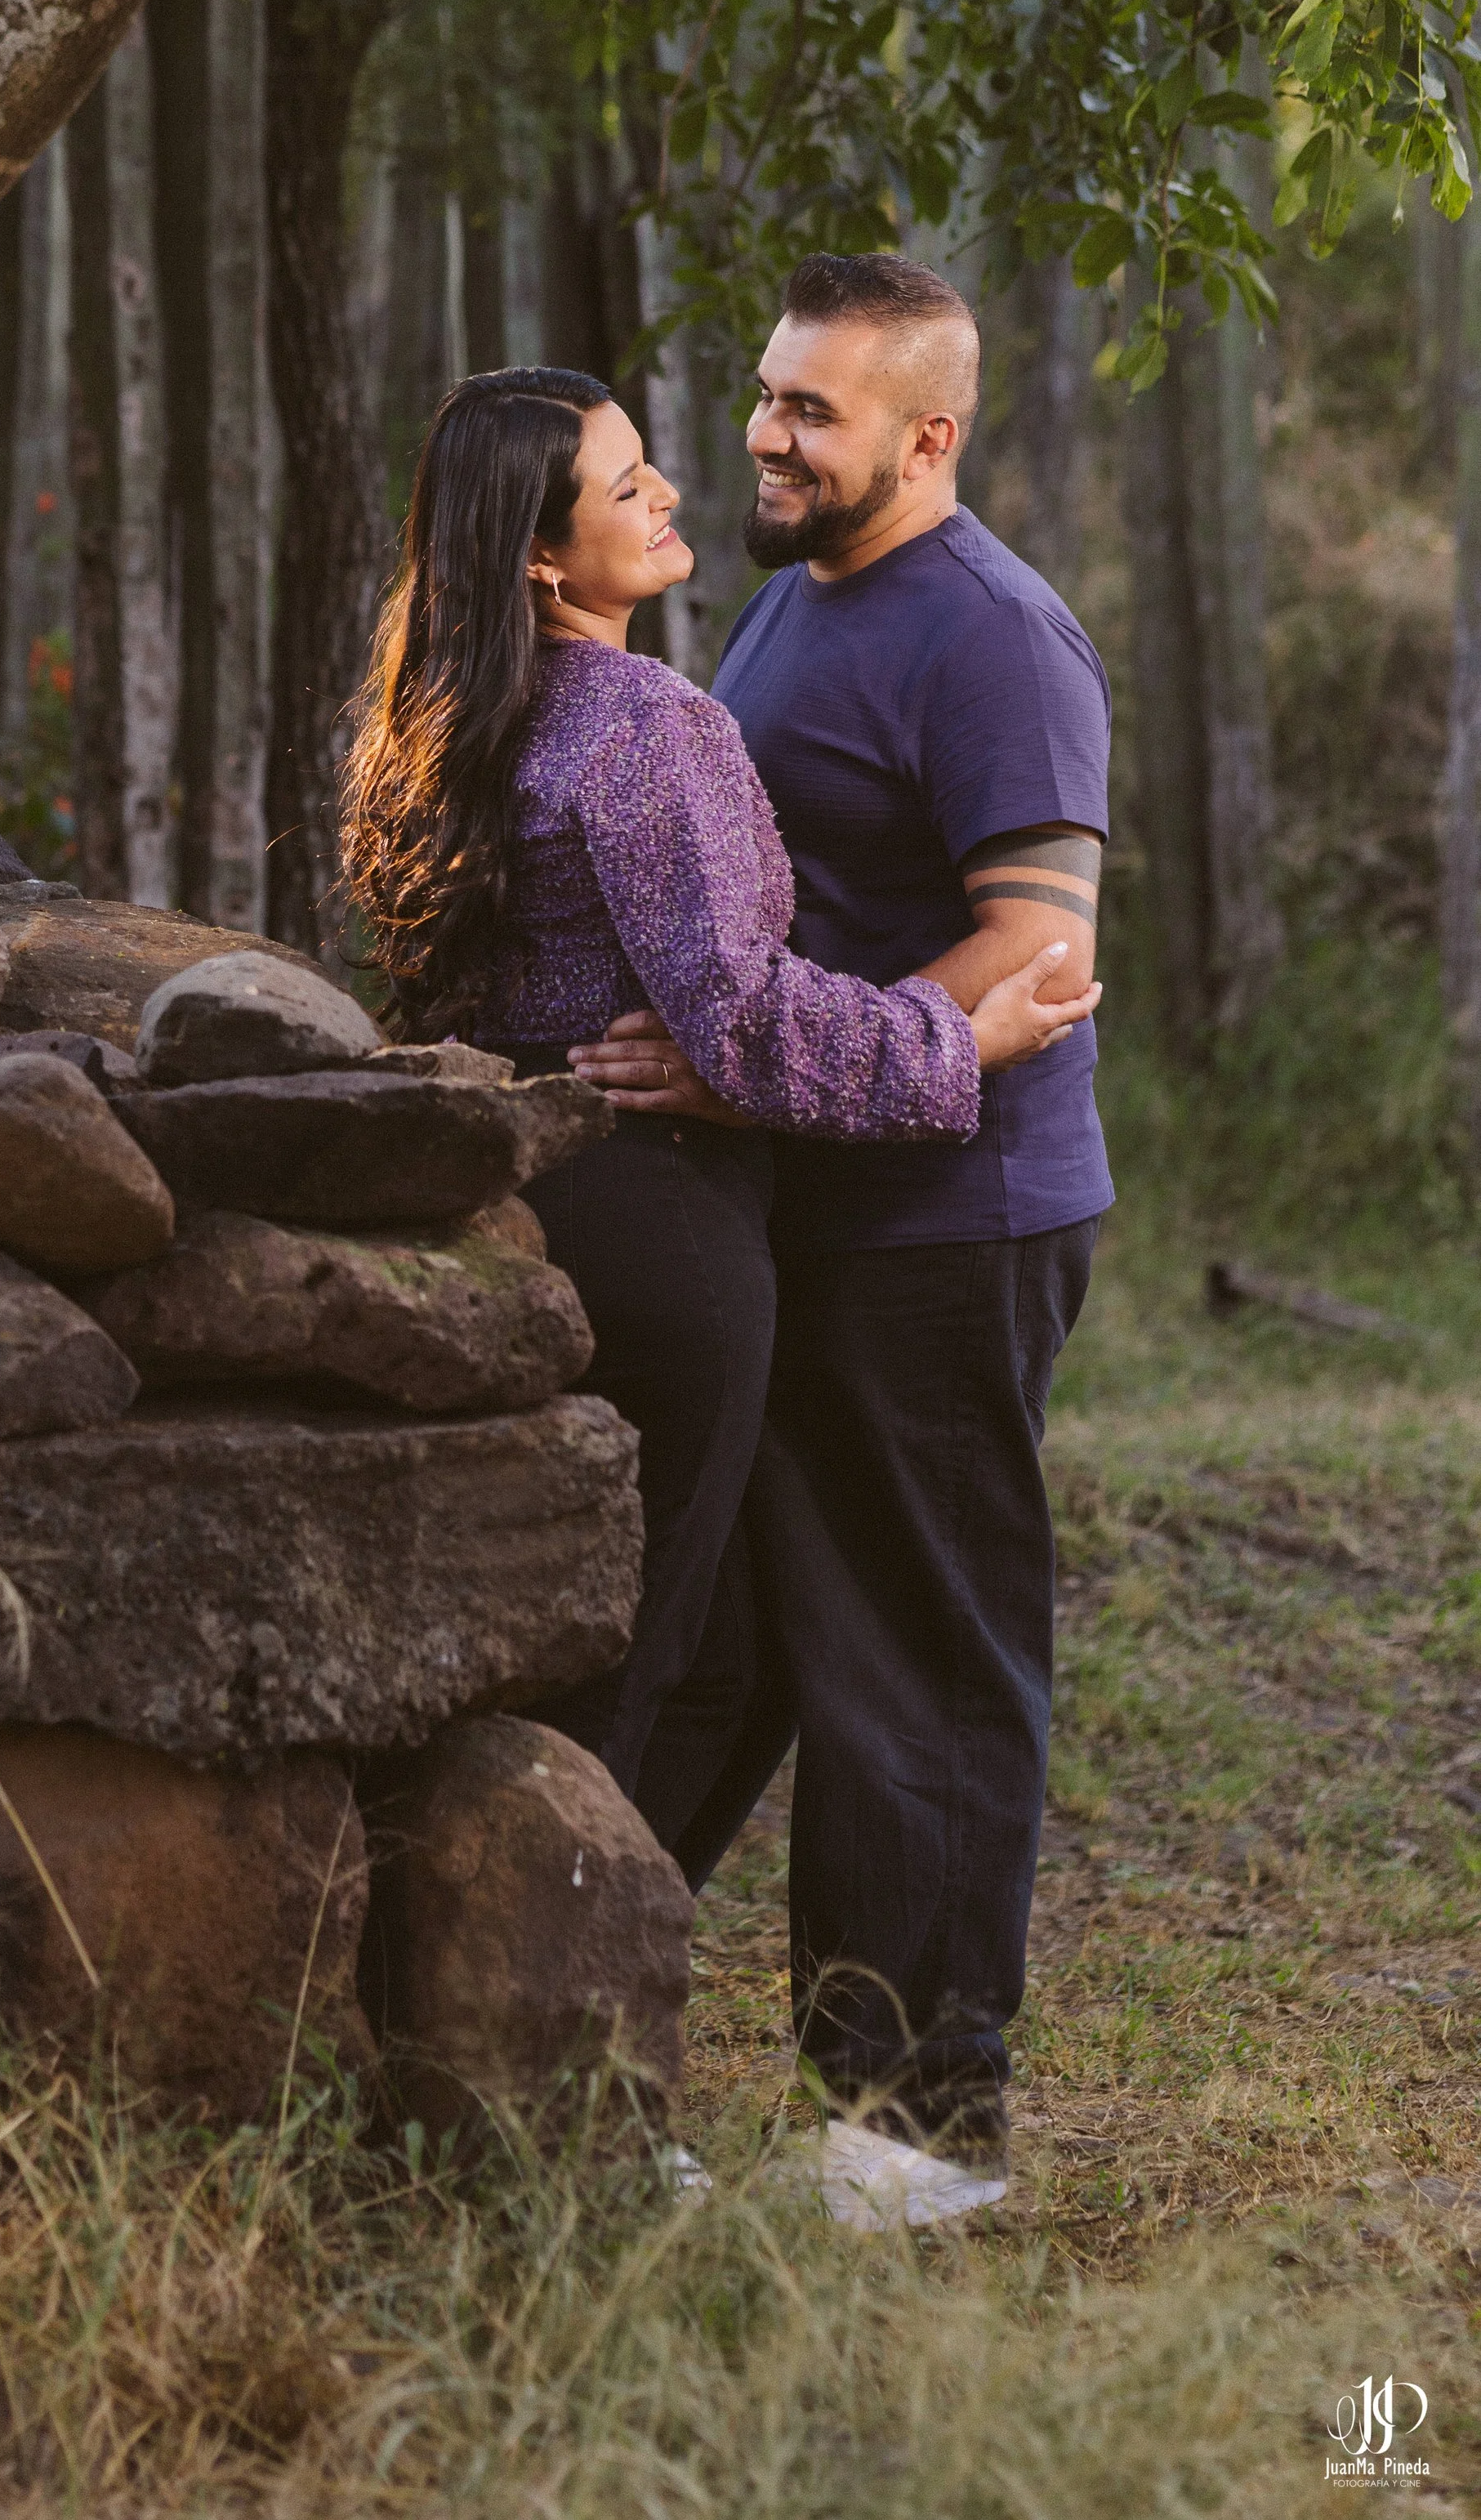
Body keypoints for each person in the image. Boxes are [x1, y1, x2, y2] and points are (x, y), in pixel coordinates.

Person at [338, 363, 1098, 1870]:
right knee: (637, 1656)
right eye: (627, 487)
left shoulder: (447, 716)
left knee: (723, 1648)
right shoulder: (645, 725)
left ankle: (580, 1946)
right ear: (542, 555)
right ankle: (529, 1975)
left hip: (536, 1208)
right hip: (668, 1231)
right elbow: (739, 1020)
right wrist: (961, 1035)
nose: (671, 491)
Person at [572, 253, 1113, 2169]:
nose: (762, 434)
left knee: (915, 1662)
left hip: (950, 1220)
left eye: (810, 409)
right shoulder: (790, 603)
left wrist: (746, 1073)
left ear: (927, 435)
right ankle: (549, 2036)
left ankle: (915, 2131)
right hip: (791, 1209)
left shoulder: (995, 639)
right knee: (717, 1643)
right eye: (765, 393)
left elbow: (1037, 948)